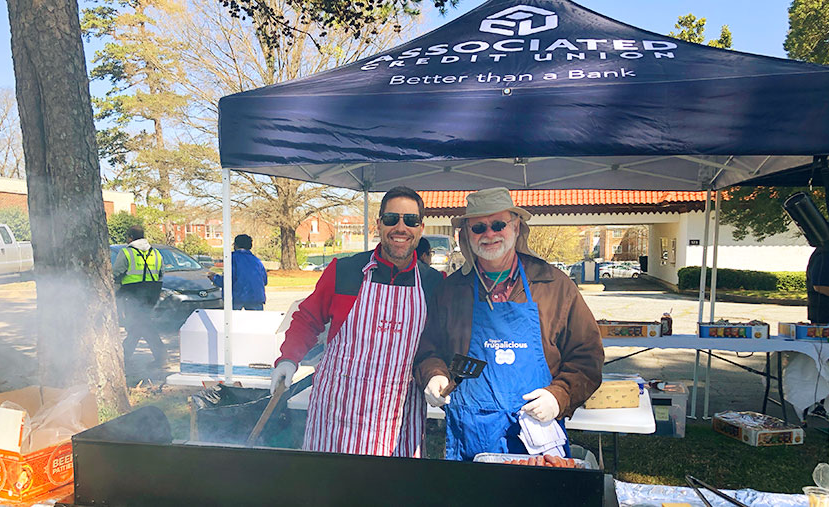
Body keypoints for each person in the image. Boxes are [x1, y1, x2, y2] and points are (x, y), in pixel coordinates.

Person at [414, 187, 604, 461]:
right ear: (467, 233)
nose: (489, 234)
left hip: (537, 434)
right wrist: (434, 374)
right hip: (472, 435)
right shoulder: (451, 291)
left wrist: (559, 396)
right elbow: (429, 349)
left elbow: (587, 356)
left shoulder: (553, 285)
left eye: (498, 224)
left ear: (516, 227)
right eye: (478, 227)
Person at [270, 186, 444, 457]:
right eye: (391, 219)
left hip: (396, 422)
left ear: (420, 228)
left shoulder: (434, 284)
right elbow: (308, 318)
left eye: (410, 220)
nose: (400, 227)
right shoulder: (344, 272)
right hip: (336, 417)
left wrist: (438, 376)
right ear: (378, 224)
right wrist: (288, 358)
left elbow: (438, 346)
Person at [112, 225, 166, 367]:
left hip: (133, 294)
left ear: (130, 237)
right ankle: (126, 355)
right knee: (140, 324)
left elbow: (116, 273)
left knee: (141, 324)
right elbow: (161, 274)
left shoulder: (126, 252)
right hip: (152, 294)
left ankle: (159, 356)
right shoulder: (156, 253)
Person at [208, 234, 268, 310]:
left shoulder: (232, 258)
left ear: (235, 245)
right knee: (255, 320)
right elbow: (264, 281)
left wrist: (214, 278)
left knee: (232, 320)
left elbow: (227, 280)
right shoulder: (256, 260)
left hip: (237, 296)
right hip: (256, 296)